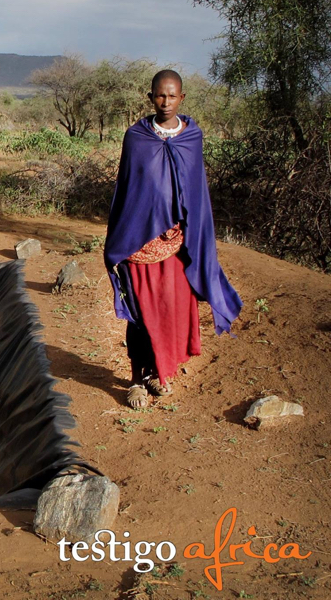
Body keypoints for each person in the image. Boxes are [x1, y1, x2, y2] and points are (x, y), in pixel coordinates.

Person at [103, 69, 242, 409]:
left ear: (182, 98)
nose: (165, 102)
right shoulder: (136, 137)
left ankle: (157, 373)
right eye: (159, 95)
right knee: (140, 314)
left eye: (172, 95)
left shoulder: (191, 137)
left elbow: (195, 194)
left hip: (177, 245)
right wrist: (121, 241)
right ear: (151, 97)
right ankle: (136, 379)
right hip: (139, 245)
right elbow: (128, 191)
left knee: (170, 312)